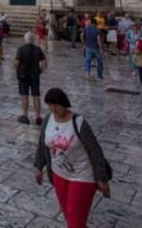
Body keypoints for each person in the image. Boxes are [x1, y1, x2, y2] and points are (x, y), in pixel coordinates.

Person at [34, 88, 111, 228]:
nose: (53, 109)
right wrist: (39, 167)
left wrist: (101, 179)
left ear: (64, 104)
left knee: (75, 221)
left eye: (56, 105)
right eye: (50, 105)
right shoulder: (48, 119)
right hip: (59, 175)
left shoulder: (78, 123)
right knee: (70, 217)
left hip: (82, 176)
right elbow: (42, 145)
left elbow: (95, 151)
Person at [15, 32, 48, 125]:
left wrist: (16, 68)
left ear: (25, 40)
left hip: (23, 75)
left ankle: (25, 115)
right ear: (33, 40)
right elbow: (44, 63)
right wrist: (40, 71)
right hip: (35, 75)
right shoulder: (38, 49)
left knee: (24, 95)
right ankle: (38, 116)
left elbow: (17, 62)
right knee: (36, 95)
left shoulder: (21, 49)